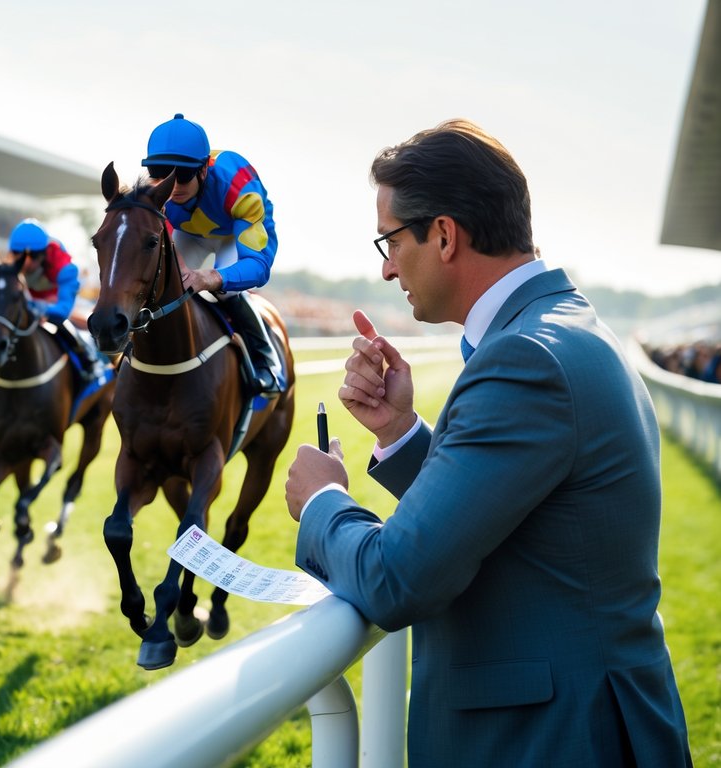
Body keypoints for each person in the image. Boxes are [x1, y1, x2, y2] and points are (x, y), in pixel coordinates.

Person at [283, 120, 692, 766]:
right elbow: (515, 521)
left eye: (388, 241)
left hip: (550, 738)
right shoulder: (559, 328)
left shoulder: (522, 358)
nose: (386, 268)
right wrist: (397, 431)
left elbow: (398, 578)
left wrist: (322, 503)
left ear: (443, 234)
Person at [141, 113, 284, 395]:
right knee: (163, 283)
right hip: (191, 234)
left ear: (203, 170)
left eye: (181, 175)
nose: (172, 186)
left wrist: (211, 277)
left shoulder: (239, 188)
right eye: (160, 173)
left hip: (235, 233)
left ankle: (266, 359)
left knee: (226, 290)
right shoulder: (155, 192)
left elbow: (257, 266)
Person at [8, 218, 98, 382]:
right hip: (31, 301)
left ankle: (87, 361)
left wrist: (38, 308)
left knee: (64, 324)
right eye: (15, 255)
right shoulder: (15, 259)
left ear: (41, 255)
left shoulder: (65, 268)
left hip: (56, 303)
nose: (21, 265)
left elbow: (63, 311)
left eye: (27, 261)